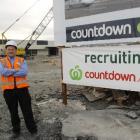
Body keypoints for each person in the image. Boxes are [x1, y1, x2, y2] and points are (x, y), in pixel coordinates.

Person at [0, 40, 37, 138]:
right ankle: (16, 131)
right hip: (8, 91)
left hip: (22, 90)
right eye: (9, 49)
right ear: (6, 50)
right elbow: (3, 72)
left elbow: (24, 72)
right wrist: (16, 70)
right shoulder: (1, 61)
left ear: (16, 51)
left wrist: (10, 71)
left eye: (12, 49)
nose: (10, 51)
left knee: (27, 111)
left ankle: (32, 130)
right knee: (13, 112)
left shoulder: (21, 60)